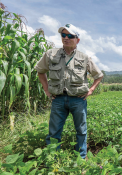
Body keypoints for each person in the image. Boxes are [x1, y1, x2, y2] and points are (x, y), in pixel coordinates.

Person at [34, 24, 103, 159]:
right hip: (58, 99)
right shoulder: (51, 54)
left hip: (78, 99)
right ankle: (53, 160)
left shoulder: (84, 58)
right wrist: (46, 90)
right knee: (54, 132)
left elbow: (98, 75)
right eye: (63, 35)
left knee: (81, 131)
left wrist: (91, 90)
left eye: (70, 36)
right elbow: (40, 71)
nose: (66, 38)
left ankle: (81, 159)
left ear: (77, 40)